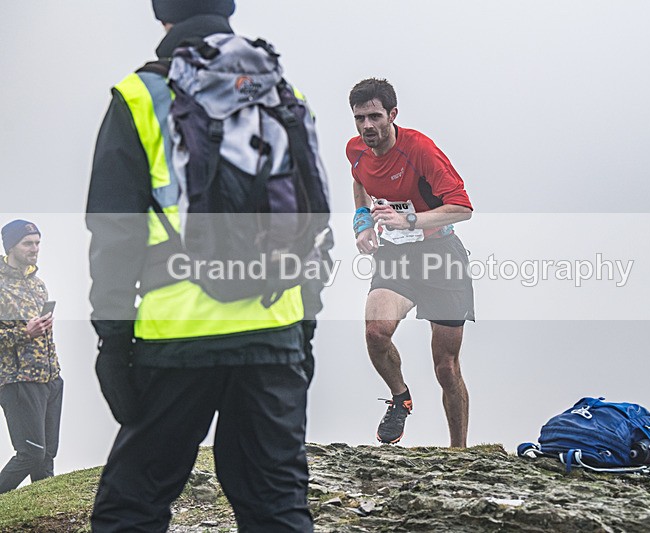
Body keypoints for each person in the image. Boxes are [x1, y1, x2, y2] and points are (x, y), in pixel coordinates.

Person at [86, 1, 329, 530]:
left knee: (133, 504)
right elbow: (314, 221)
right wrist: (304, 327)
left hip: (177, 335)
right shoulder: (284, 94)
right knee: (277, 507)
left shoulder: (141, 94)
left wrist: (112, 339)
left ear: (162, 15)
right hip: (275, 330)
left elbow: (114, 231)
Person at [346, 78, 475, 447]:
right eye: (359, 118)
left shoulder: (420, 150)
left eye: (374, 116)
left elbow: (462, 208)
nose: (367, 126)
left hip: (441, 257)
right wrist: (362, 222)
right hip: (396, 256)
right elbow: (359, 181)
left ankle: (459, 453)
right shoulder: (355, 149)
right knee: (375, 332)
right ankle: (400, 397)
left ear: (392, 115)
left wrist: (410, 220)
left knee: (446, 368)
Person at [0, 220, 63, 494]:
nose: (35, 248)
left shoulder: (38, 285)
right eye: (28, 243)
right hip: (18, 380)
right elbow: (22, 333)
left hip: (50, 378)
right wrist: (24, 333)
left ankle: (43, 515)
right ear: (11, 247)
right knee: (31, 454)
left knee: (47, 455)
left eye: (38, 242)